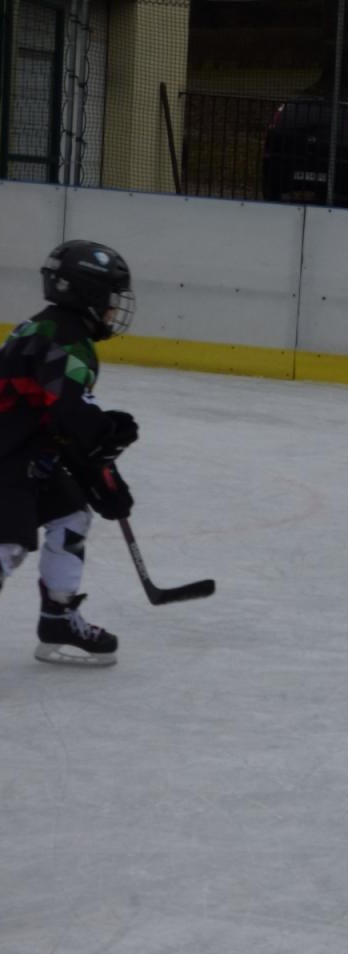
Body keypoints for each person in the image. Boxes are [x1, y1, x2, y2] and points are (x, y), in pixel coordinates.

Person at [0, 239, 139, 666]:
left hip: (24, 451)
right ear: (88, 294)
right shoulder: (66, 340)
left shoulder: (52, 328)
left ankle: (57, 619)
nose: (114, 309)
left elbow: (60, 418)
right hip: (6, 455)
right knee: (7, 544)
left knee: (71, 514)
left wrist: (99, 471)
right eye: (110, 298)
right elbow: (70, 412)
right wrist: (105, 435)